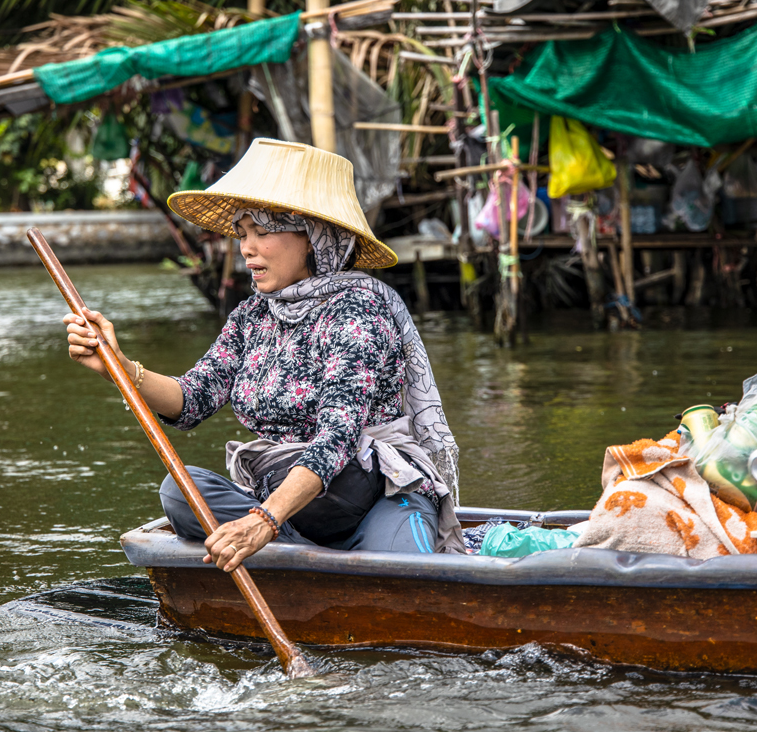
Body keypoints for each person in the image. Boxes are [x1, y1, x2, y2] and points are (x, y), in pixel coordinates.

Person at [65, 138, 464, 572]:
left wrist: (261, 520)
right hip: (286, 499)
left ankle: (290, 542)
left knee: (409, 571)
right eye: (243, 233)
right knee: (180, 491)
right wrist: (119, 368)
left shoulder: (358, 307)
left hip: (364, 491)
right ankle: (292, 547)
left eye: (263, 232)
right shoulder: (252, 314)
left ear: (311, 236)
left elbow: (337, 439)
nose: (247, 248)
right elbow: (191, 398)